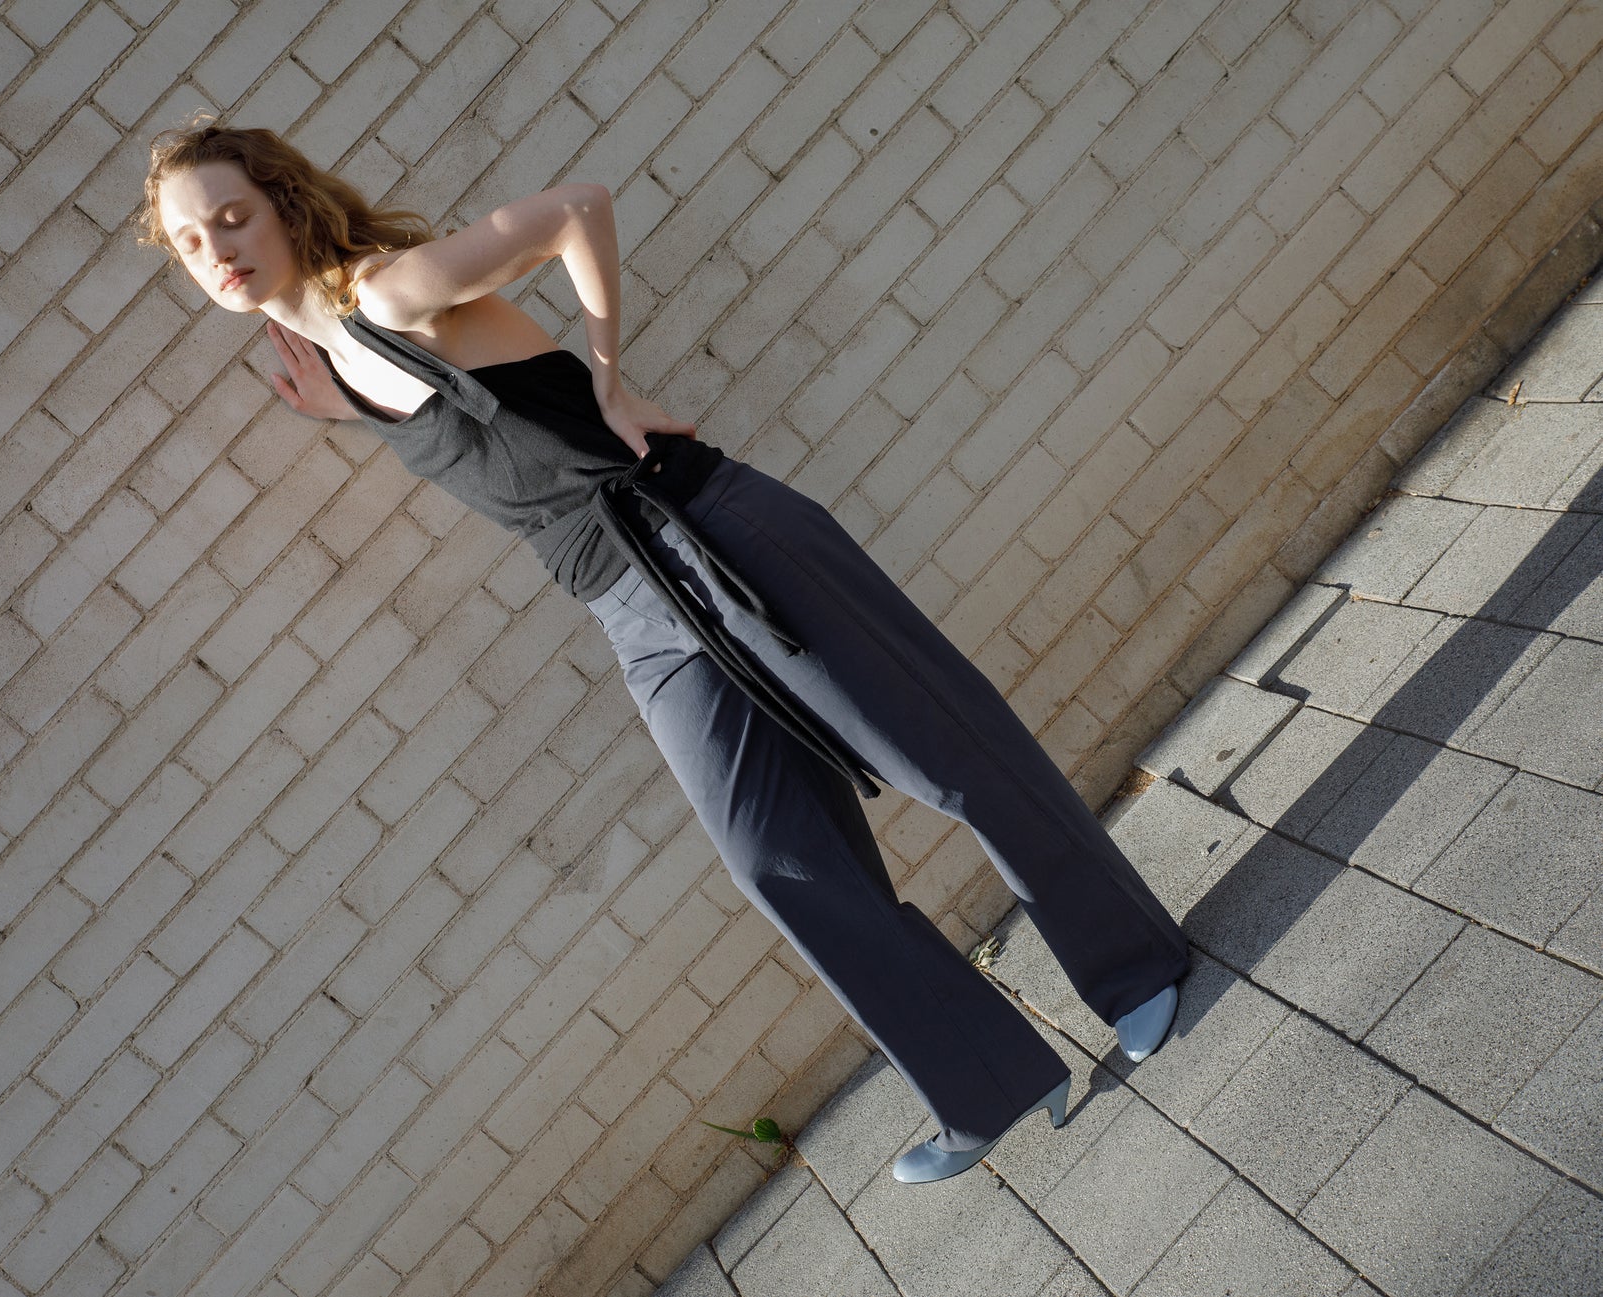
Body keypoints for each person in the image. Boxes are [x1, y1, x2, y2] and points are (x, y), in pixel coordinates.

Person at [139, 122, 1189, 1184]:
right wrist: (346, 408)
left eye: (232, 215)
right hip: (632, 614)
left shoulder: (388, 294)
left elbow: (573, 205)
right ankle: (990, 1080)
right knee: (775, 856)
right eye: (189, 240)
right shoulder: (334, 355)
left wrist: (606, 377)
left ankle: (1135, 966)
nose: (217, 246)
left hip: (710, 533)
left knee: (942, 756)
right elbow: (478, 437)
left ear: (282, 202)